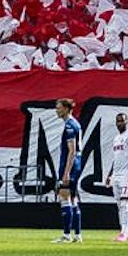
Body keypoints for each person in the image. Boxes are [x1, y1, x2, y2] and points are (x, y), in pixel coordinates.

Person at [50, 100, 84, 244]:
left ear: (66, 108)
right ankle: (77, 235)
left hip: (70, 165)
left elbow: (72, 150)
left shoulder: (70, 126)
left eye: (58, 108)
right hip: (77, 164)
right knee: (73, 199)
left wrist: (66, 172)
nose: (56, 111)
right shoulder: (75, 124)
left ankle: (66, 235)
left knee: (64, 197)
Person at [108, 113, 128, 244]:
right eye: (118, 121)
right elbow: (116, 158)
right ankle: (123, 231)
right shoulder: (116, 138)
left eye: (122, 121)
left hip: (126, 174)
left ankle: (125, 233)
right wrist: (109, 174)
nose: (120, 123)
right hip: (116, 175)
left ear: (127, 122)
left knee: (124, 203)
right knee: (119, 204)